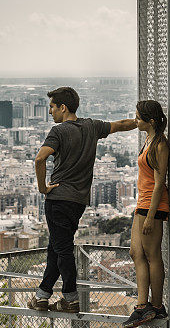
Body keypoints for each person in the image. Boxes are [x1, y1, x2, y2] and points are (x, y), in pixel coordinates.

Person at [28, 86, 137, 313]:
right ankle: (42, 295)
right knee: (56, 248)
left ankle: (70, 297)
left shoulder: (58, 132)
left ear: (63, 107)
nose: (50, 112)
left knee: (62, 249)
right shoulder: (92, 126)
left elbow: (40, 159)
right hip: (78, 201)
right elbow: (121, 125)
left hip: (57, 199)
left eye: (52, 107)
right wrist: (142, 121)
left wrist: (42, 187)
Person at [123, 100, 169, 328]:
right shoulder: (149, 141)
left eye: (139, 118)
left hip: (153, 205)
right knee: (135, 252)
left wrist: (151, 216)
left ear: (150, 121)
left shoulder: (160, 145)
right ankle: (142, 306)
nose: (136, 120)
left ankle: (157, 306)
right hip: (142, 202)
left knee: (152, 255)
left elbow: (160, 183)